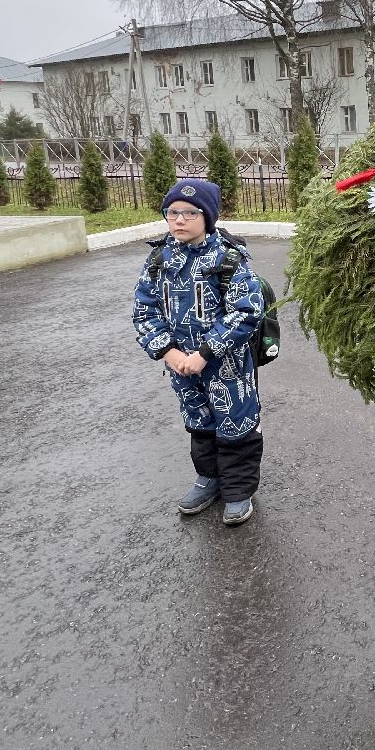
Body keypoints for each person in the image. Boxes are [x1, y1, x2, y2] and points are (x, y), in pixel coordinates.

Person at [133, 178, 266, 526]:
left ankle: (238, 491)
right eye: (172, 212)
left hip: (227, 367)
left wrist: (206, 353)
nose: (179, 220)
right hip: (182, 367)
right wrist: (168, 352)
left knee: (236, 423)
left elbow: (247, 312)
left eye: (189, 213)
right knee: (199, 421)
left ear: (207, 217)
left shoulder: (227, 259)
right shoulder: (159, 260)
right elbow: (144, 312)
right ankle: (209, 478)